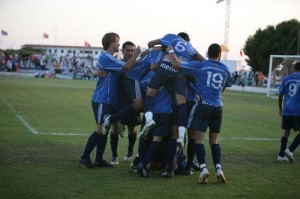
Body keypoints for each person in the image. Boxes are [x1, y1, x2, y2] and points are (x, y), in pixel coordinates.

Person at [79, 32, 141, 168]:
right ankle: (84, 156)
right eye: (118, 41)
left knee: (105, 130)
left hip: (109, 100)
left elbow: (124, 66)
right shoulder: (106, 57)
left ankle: (99, 159)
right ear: (112, 43)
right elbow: (126, 67)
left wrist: (95, 71)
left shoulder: (110, 58)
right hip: (102, 99)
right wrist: (137, 53)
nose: (119, 44)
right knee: (101, 129)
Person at [140, 33, 205, 148]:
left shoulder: (171, 37)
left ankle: (149, 120)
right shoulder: (191, 48)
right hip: (180, 71)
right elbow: (203, 61)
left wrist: (161, 47)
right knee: (181, 105)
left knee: (150, 94)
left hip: (165, 66)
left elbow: (150, 43)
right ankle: (180, 135)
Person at [179, 43, 232, 184]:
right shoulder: (226, 69)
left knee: (199, 139)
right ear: (220, 55)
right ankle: (219, 168)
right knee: (214, 140)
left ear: (207, 53)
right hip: (218, 106)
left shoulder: (201, 65)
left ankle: (203, 168)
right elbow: (224, 88)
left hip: (204, 105)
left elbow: (180, 66)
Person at [109, 41, 142, 165]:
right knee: (114, 128)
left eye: (132, 50)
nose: (130, 52)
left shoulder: (136, 65)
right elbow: (125, 68)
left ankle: (129, 151)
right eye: (128, 50)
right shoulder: (119, 63)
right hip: (118, 100)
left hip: (132, 101)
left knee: (132, 129)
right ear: (122, 51)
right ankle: (114, 156)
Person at [277, 62, 300, 163]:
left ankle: (281, 155)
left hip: (286, 109)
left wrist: (280, 108)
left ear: (294, 69)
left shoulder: (286, 78)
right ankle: (290, 150)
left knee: (286, 132)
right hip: (298, 110)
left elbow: (280, 95)